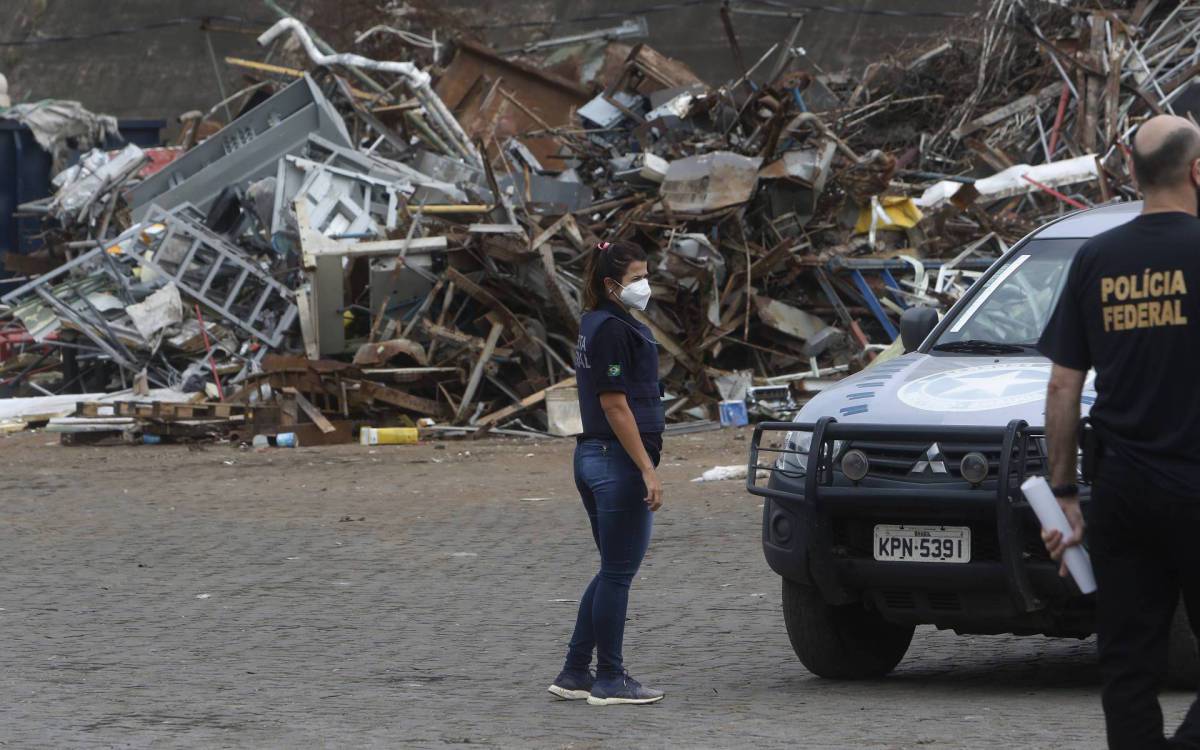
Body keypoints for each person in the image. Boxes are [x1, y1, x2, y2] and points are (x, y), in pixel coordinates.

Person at [1039, 113, 1200, 749]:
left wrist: (1063, 495)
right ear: (1197, 171)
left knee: (1128, 664)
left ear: (1131, 173)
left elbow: (1062, 387)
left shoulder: (1096, 258)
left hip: (1122, 491)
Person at [547, 239, 666, 707]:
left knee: (611, 571)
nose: (645, 285)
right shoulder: (613, 330)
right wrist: (647, 469)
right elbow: (615, 405)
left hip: (593, 457)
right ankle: (610, 678)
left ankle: (576, 671)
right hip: (615, 462)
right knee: (617, 574)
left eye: (647, 275)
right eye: (637, 278)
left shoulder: (596, 322)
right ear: (612, 284)